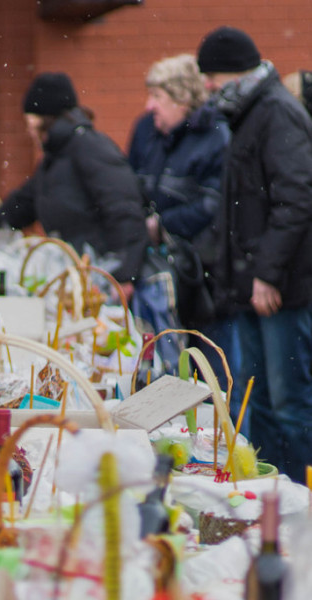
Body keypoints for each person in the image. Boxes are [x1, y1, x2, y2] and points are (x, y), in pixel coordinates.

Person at [197, 26, 312, 482]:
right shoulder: (250, 112)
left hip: (281, 290)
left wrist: (267, 273)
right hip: (253, 286)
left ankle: (301, 496)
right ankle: (270, 494)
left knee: (289, 404)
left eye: (210, 76)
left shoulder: (277, 114)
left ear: (232, 72)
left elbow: (298, 198)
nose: (206, 87)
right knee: (259, 400)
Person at [0, 72, 148, 293]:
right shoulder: (55, 159)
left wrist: (124, 276)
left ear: (42, 119)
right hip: (77, 275)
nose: (27, 129)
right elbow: (22, 205)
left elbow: (124, 209)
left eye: (28, 119)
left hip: (102, 278)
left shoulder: (89, 148)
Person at [127, 53, 237, 376]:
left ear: (183, 99)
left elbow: (212, 205)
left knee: (215, 378)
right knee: (167, 372)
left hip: (206, 282)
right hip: (163, 278)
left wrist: (161, 226)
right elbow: (132, 189)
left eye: (157, 97)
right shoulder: (151, 133)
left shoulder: (217, 136)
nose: (150, 106)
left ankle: (220, 426)